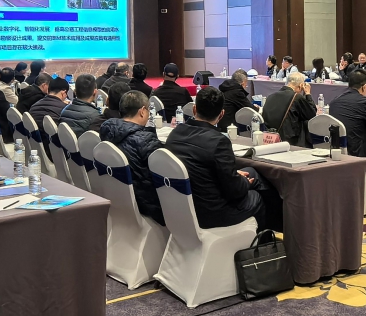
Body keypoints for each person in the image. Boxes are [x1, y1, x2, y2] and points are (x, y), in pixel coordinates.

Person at [165, 87, 277, 230]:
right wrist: (244, 182)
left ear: (194, 109)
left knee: (251, 172)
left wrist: (235, 175)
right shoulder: (219, 142)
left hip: (183, 206)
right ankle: (266, 238)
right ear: (222, 114)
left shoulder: (175, 134)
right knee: (257, 196)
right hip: (213, 212)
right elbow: (235, 191)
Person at [99, 91, 165, 225]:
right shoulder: (146, 140)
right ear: (142, 111)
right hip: (147, 206)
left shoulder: (107, 132)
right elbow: (164, 171)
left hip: (119, 201)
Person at [261, 72, 318, 146]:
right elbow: (312, 114)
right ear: (301, 86)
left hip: (269, 138)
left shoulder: (270, 96)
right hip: (289, 141)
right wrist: (308, 94)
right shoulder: (296, 97)